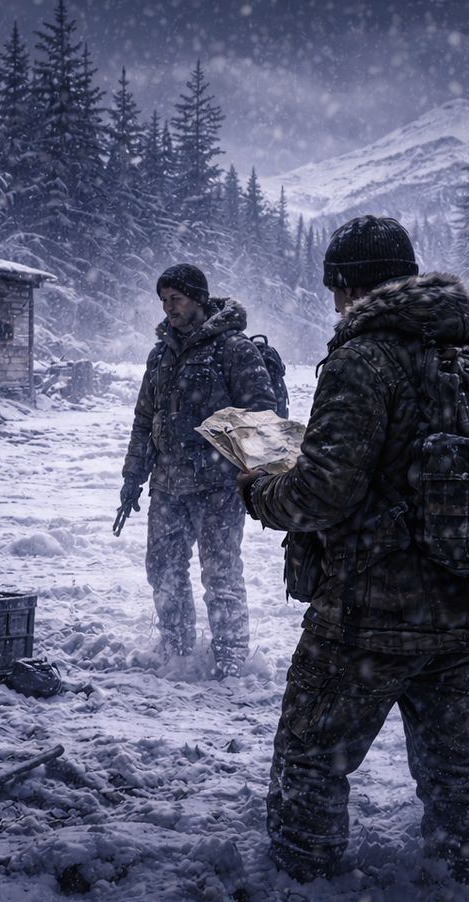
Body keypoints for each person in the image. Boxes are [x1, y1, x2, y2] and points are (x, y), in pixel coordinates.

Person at [237, 216, 469, 887]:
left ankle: (305, 881)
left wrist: (261, 488)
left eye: (335, 288)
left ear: (350, 287)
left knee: (309, 756)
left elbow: (323, 492)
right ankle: (468, 877)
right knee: (454, 767)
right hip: (463, 597)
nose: (332, 303)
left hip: (369, 606)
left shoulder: (362, 360)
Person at [118, 263, 278, 679]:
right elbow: (143, 419)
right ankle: (175, 647)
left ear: (199, 300)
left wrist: (259, 484)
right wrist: (132, 477)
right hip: (167, 485)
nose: (170, 308)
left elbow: (262, 418)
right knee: (163, 571)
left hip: (218, 487)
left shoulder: (233, 349)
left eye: (178, 299)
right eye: (165, 300)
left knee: (221, 575)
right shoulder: (161, 355)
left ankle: (229, 658)